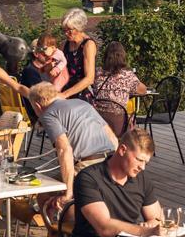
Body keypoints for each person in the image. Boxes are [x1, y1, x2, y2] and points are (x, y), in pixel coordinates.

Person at [29, 82, 119, 214]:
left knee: (44, 194)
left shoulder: (48, 114)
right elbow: (113, 138)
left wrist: (68, 190)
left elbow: (64, 150)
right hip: (110, 162)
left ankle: (56, 234)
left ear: (37, 105)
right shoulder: (82, 103)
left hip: (87, 165)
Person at [91, 41, 150, 107]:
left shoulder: (97, 72)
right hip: (118, 115)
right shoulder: (127, 75)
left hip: (98, 115)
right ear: (123, 56)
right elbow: (143, 90)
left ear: (106, 56)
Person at [58, 8, 99, 101]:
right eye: (64, 29)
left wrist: (65, 94)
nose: (66, 33)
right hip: (64, 94)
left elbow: (89, 78)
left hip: (82, 96)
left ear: (79, 28)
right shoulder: (64, 45)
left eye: (69, 30)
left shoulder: (88, 45)